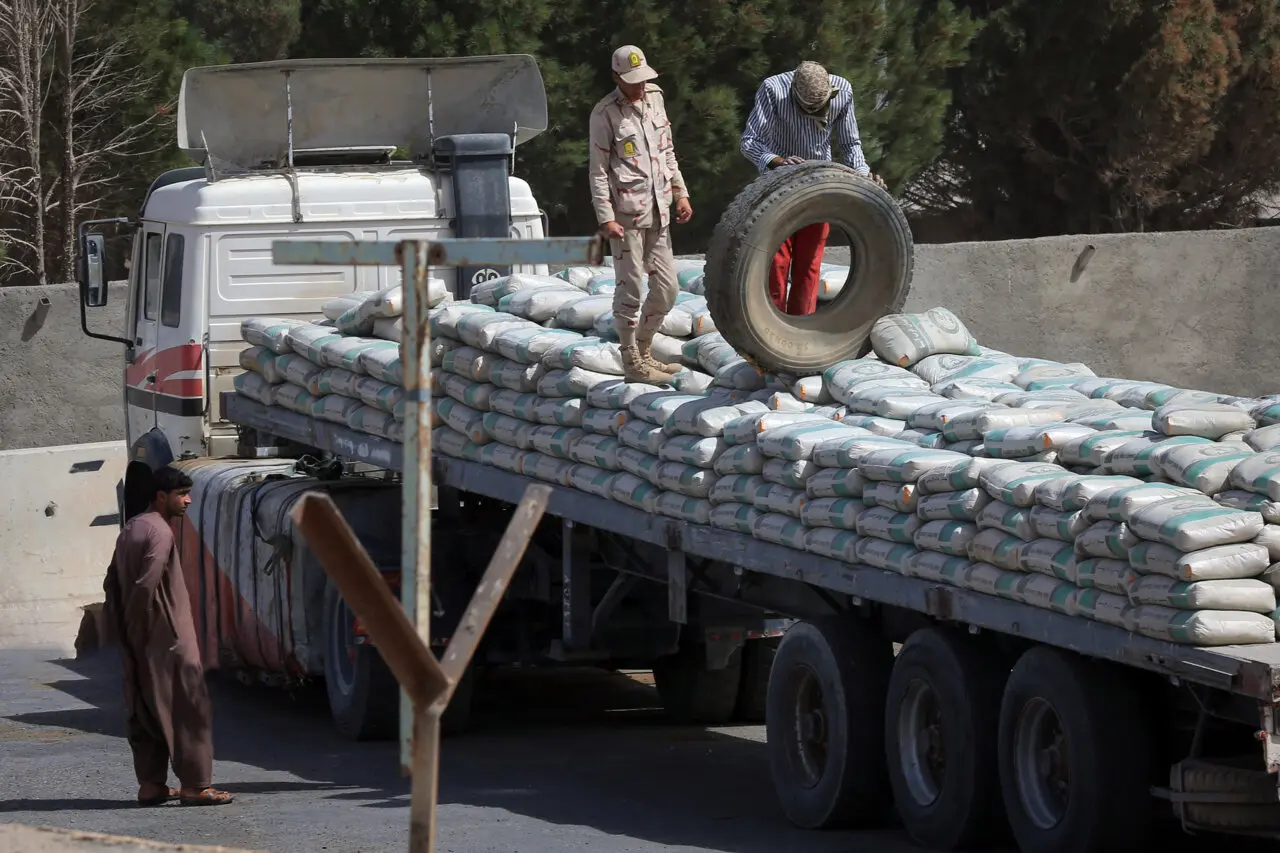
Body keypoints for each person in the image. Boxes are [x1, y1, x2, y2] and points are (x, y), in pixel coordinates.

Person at [103, 465, 232, 807]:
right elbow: (147, 581)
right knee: (189, 709)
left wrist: (125, 632)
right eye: (181, 495)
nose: (188, 501)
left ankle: (151, 785)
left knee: (145, 708)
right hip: (168, 639)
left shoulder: (132, 528)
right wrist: (137, 623)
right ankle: (196, 786)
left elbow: (111, 581)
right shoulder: (160, 532)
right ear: (161, 497)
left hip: (140, 640)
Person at [740, 61, 885, 316]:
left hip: (818, 187)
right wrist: (778, 161)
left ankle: (801, 328)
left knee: (809, 265)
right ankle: (771, 326)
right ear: (795, 94)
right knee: (776, 262)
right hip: (779, 186)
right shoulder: (773, 90)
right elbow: (750, 142)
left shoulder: (843, 90)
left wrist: (863, 176)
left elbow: (851, 143)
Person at [588, 44, 694, 383]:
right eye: (632, 81)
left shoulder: (655, 98)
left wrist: (681, 191)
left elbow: (667, 151)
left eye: (643, 79)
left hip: (659, 212)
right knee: (630, 289)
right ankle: (631, 358)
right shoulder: (604, 113)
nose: (639, 86)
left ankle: (645, 348)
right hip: (627, 216)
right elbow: (599, 170)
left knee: (667, 289)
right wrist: (606, 218)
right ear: (616, 77)